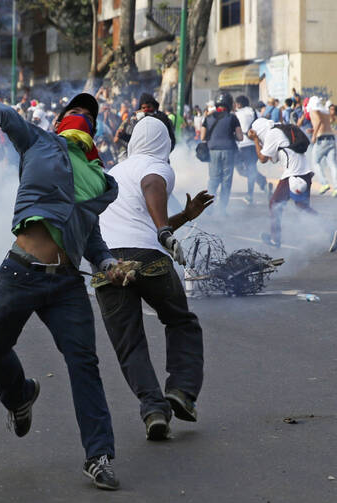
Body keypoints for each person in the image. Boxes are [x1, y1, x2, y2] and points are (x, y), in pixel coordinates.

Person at [0, 93, 123, 491]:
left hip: (67, 284)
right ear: (59, 122)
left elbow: (92, 236)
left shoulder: (98, 178)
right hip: (20, 273)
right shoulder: (37, 142)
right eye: (75, 112)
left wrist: (107, 265)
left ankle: (99, 455)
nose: (82, 117)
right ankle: (19, 396)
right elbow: (1, 114)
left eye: (89, 116)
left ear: (96, 132)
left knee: (84, 364)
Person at [96, 116, 211, 440]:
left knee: (128, 342)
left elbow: (138, 221)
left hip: (107, 263)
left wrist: (184, 217)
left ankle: (154, 410)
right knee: (181, 322)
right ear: (164, 144)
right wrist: (163, 230)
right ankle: (182, 391)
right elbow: (152, 186)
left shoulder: (114, 172)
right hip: (148, 258)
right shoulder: (157, 166)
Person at [248, 118, 315, 248]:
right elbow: (272, 158)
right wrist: (257, 140)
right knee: (303, 207)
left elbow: (262, 159)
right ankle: (331, 230)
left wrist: (255, 140)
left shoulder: (272, 134)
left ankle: (275, 239)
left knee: (275, 203)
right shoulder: (279, 132)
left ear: (260, 131)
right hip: (303, 173)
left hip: (293, 174)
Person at [200, 92, 243, 215]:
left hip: (213, 151)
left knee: (213, 179)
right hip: (229, 151)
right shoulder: (233, 118)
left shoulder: (208, 118)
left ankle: (208, 208)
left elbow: (203, 136)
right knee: (226, 180)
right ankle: (222, 210)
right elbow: (240, 137)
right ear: (229, 104)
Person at [234, 96, 268, 204]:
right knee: (251, 169)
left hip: (240, 145)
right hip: (253, 145)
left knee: (241, 170)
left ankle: (253, 193)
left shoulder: (236, 114)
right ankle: (260, 183)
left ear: (239, 104)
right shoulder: (255, 112)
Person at [306, 96, 337, 197]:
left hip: (321, 140)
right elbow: (329, 122)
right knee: (332, 164)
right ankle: (336, 187)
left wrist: (314, 135)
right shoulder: (325, 111)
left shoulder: (313, 110)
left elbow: (319, 121)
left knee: (315, 162)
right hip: (331, 138)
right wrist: (314, 130)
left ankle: (324, 183)